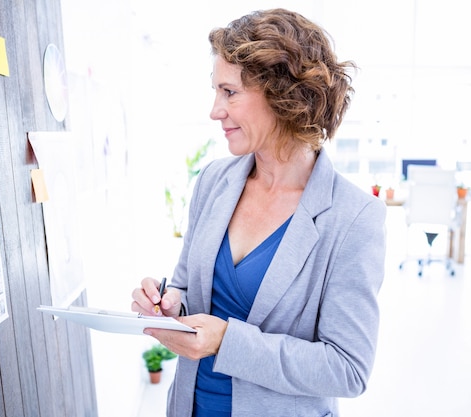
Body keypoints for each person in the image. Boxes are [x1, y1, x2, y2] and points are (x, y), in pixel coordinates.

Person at [131, 8, 386, 417]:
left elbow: (348, 369)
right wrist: (169, 304)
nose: (215, 110)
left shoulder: (353, 217)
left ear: (281, 95)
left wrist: (226, 342)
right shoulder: (215, 181)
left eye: (229, 92)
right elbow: (186, 288)